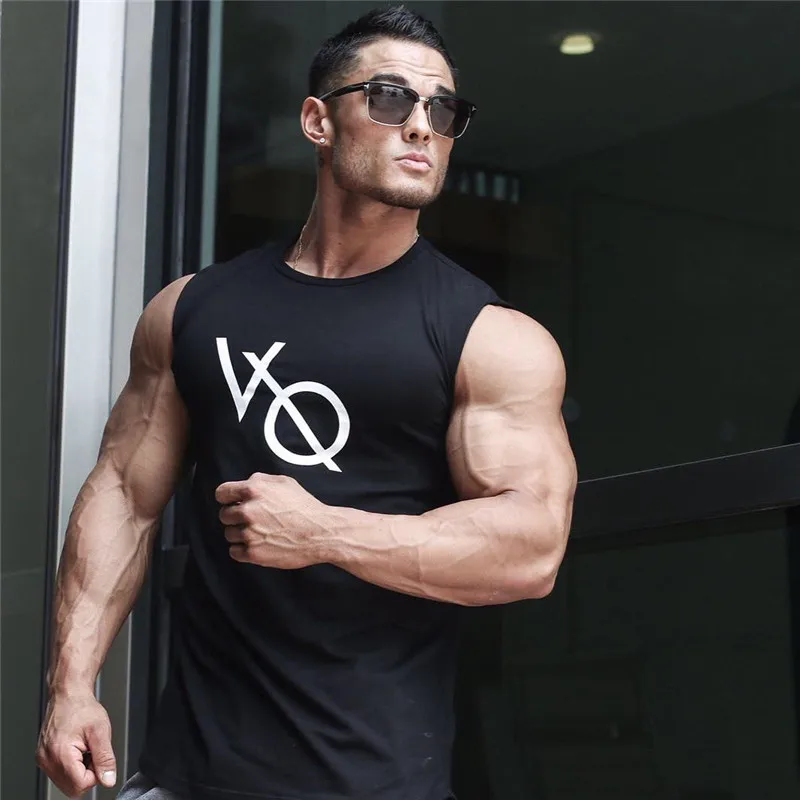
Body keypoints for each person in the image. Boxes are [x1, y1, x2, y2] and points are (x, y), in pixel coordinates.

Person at [36, 6, 577, 800]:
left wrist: (323, 531)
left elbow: (532, 548)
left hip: (370, 781)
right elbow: (122, 493)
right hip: (188, 775)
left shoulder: (490, 339)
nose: (421, 126)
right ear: (318, 121)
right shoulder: (192, 310)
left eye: (443, 110)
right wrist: (72, 685)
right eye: (390, 98)